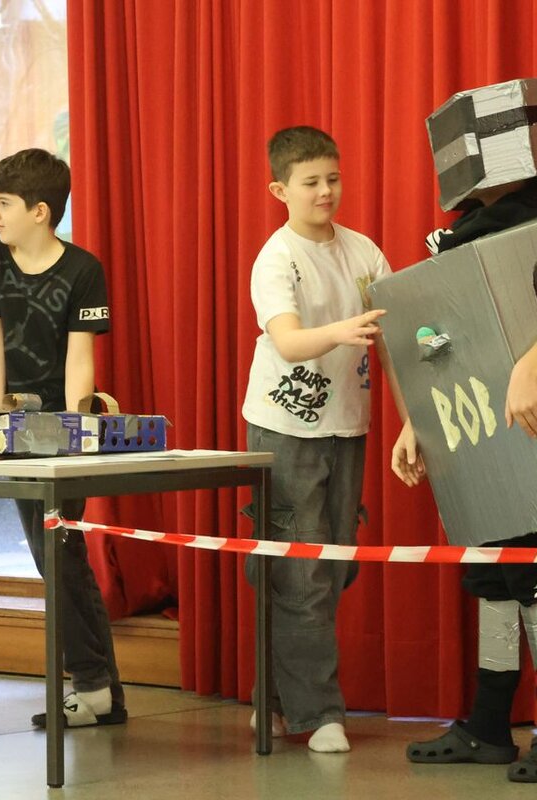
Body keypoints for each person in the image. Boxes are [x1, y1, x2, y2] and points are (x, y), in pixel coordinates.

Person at [241, 126, 404, 753]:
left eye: (333, 178)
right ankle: (319, 714)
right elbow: (287, 341)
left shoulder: (364, 251)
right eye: (311, 182)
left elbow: (392, 347)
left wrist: (410, 421)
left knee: (331, 569)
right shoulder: (276, 259)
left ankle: (275, 699)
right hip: (285, 429)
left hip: (347, 426)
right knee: (300, 571)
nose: (326, 191)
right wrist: (342, 330)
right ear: (279, 190)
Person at [0, 148, 126, 728]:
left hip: (61, 428)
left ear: (39, 211)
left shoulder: (83, 269)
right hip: (10, 426)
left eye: (4, 204)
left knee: (58, 552)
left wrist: (77, 430)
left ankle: (93, 688)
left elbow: (81, 360)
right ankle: (101, 692)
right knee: (55, 554)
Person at [395, 178, 537, 780]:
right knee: (494, 573)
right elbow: (443, 337)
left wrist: (532, 362)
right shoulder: (459, 235)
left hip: (530, 418)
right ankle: (488, 726)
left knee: (532, 572)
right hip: (482, 426)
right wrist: (418, 423)